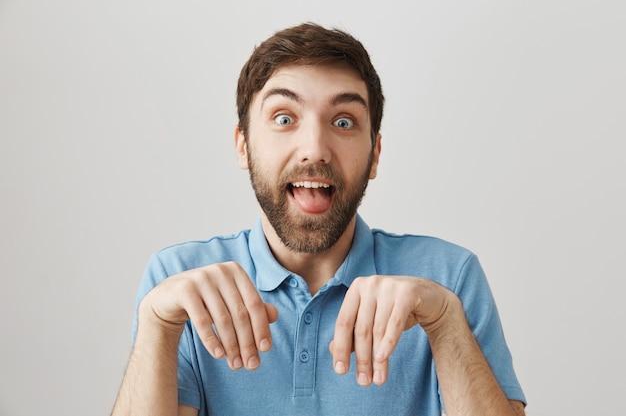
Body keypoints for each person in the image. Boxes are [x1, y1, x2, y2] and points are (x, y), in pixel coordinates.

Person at [111, 22, 526, 416]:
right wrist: (158, 326)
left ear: (375, 154)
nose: (315, 148)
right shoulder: (178, 280)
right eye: (284, 118)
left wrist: (445, 323)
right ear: (243, 145)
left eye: (343, 122)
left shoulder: (449, 278)